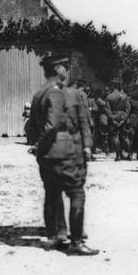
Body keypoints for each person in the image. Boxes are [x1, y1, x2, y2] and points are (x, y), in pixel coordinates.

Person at [28, 53, 98, 256]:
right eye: (65, 68)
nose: (67, 72)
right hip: (65, 152)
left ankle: (55, 235)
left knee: (52, 194)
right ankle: (74, 241)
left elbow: (84, 121)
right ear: (58, 70)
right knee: (76, 193)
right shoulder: (57, 93)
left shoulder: (41, 94)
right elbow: (52, 125)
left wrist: (87, 145)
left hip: (48, 155)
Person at [105, 81, 130, 161]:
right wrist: (123, 119)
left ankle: (118, 155)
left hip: (114, 116)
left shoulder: (109, 97)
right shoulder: (125, 96)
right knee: (125, 136)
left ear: (112, 87)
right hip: (122, 116)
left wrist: (113, 120)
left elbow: (107, 110)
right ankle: (129, 155)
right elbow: (128, 109)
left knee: (114, 136)